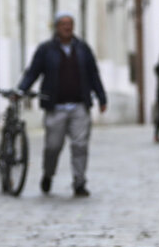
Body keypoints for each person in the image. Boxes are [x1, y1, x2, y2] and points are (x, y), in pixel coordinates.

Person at [17, 12, 107, 197]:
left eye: (70, 24)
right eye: (63, 24)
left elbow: (93, 74)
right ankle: (48, 174)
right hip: (55, 107)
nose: (67, 27)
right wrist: (21, 90)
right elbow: (32, 72)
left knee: (80, 145)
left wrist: (101, 97)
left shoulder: (83, 49)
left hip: (79, 106)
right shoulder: (46, 50)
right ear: (57, 27)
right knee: (52, 146)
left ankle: (79, 182)